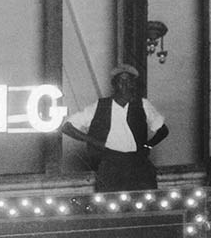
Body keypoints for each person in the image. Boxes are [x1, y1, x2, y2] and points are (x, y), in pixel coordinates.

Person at [60, 62, 168, 193]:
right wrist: (93, 141)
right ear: (114, 84)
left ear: (133, 84)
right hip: (110, 164)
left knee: (143, 203)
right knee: (110, 204)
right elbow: (67, 127)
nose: (124, 84)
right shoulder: (100, 106)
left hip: (138, 164)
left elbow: (163, 130)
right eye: (120, 81)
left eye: (128, 81)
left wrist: (148, 145)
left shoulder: (143, 105)